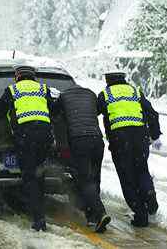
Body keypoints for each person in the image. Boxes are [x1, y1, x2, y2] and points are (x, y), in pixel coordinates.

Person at [0, 65, 54, 232]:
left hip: (26, 137)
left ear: (17, 77)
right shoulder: (43, 89)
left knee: (29, 175)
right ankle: (39, 209)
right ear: (33, 77)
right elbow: (53, 110)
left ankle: (38, 219)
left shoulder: (12, 90)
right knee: (39, 173)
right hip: (45, 136)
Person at [97, 71, 161, 227]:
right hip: (140, 137)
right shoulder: (134, 91)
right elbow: (152, 113)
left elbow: (92, 113)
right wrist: (154, 135)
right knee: (142, 169)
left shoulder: (105, 94)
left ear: (108, 81)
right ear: (123, 79)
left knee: (127, 178)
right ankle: (150, 197)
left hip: (120, 140)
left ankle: (141, 215)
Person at [55, 84, 111, 233]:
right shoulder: (91, 94)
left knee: (85, 179)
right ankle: (92, 216)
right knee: (95, 177)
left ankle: (100, 213)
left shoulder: (64, 96)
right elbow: (97, 111)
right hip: (97, 140)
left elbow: (54, 113)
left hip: (79, 140)